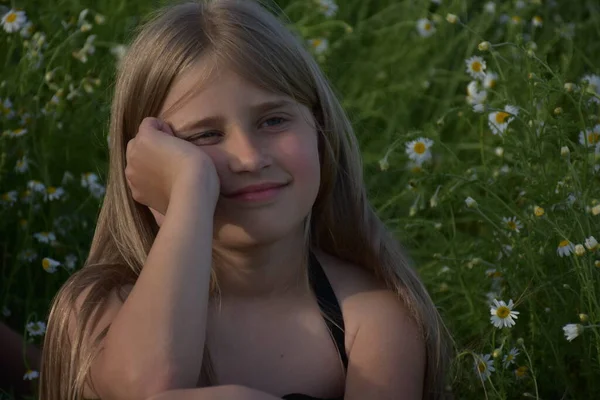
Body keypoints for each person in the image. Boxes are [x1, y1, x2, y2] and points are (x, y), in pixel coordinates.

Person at [39, 1, 451, 399]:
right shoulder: (95, 308)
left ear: (319, 130)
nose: (251, 158)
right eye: (204, 136)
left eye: (274, 120)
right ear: (148, 162)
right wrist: (190, 190)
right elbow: (148, 387)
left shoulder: (372, 320)